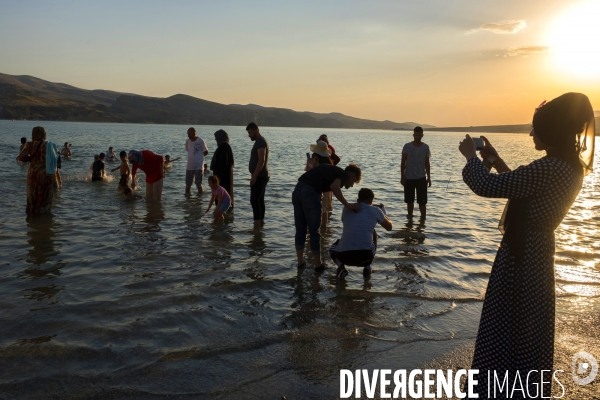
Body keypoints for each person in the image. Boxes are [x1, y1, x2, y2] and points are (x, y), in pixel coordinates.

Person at [458, 92, 595, 397]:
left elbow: (487, 186)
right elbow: (520, 186)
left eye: (537, 128)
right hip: (536, 252)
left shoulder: (549, 168)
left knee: (505, 326)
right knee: (525, 330)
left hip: (521, 257)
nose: (532, 133)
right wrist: (493, 161)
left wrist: (470, 157)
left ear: (552, 131)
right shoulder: (566, 167)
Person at [292, 163, 362, 271]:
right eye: (353, 182)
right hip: (310, 192)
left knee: (300, 229)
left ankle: (300, 263)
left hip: (297, 189)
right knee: (314, 230)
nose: (352, 185)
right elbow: (334, 186)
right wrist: (347, 204)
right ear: (351, 177)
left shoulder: (334, 170)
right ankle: (318, 265)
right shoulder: (343, 174)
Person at [330, 188, 392, 279]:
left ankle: (340, 267)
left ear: (357, 200)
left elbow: (345, 222)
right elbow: (389, 227)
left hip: (344, 256)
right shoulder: (376, 210)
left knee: (332, 248)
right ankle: (367, 267)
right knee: (373, 233)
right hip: (365, 258)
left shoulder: (346, 208)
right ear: (371, 201)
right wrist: (383, 213)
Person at [17, 127, 58, 215]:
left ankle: (32, 214)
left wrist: (30, 158)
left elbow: (21, 158)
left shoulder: (29, 145)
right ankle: (43, 215)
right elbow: (55, 158)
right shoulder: (48, 145)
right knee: (45, 193)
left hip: (33, 172)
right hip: (45, 172)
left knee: (33, 193)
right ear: (44, 134)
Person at [400, 126, 431, 220]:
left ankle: (422, 222)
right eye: (416, 135)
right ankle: (409, 221)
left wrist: (429, 177)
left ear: (422, 135)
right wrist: (402, 177)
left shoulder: (425, 147)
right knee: (409, 201)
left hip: (421, 178)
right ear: (413, 135)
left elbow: (427, 163)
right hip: (409, 177)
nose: (417, 136)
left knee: (422, 202)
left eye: (419, 135)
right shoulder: (407, 146)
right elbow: (402, 162)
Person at [305, 140, 334, 227]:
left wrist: (308, 160)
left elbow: (308, 171)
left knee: (314, 209)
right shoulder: (329, 162)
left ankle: (314, 227)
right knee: (324, 211)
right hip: (326, 189)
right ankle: (323, 228)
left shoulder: (314, 160)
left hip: (315, 188)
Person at [247, 123, 269, 228]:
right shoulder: (259, 142)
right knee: (259, 200)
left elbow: (261, 160)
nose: (249, 135)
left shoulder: (260, 142)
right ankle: (260, 223)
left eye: (250, 132)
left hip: (260, 176)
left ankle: (256, 225)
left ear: (256, 130)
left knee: (254, 200)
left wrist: (254, 176)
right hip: (260, 175)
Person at [211, 129, 235, 208]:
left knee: (221, 202)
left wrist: (217, 181)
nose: (215, 140)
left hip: (222, 180)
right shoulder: (226, 147)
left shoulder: (222, 148)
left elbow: (221, 165)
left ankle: (220, 219)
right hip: (226, 179)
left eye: (216, 138)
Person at [185, 127, 209, 194]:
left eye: (189, 134)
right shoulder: (187, 141)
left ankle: (199, 201)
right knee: (187, 185)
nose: (188, 135)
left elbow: (206, 151)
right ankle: (187, 201)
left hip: (198, 166)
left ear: (194, 133)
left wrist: (199, 158)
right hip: (189, 166)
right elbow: (188, 150)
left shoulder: (200, 140)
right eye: (187, 134)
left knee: (198, 184)